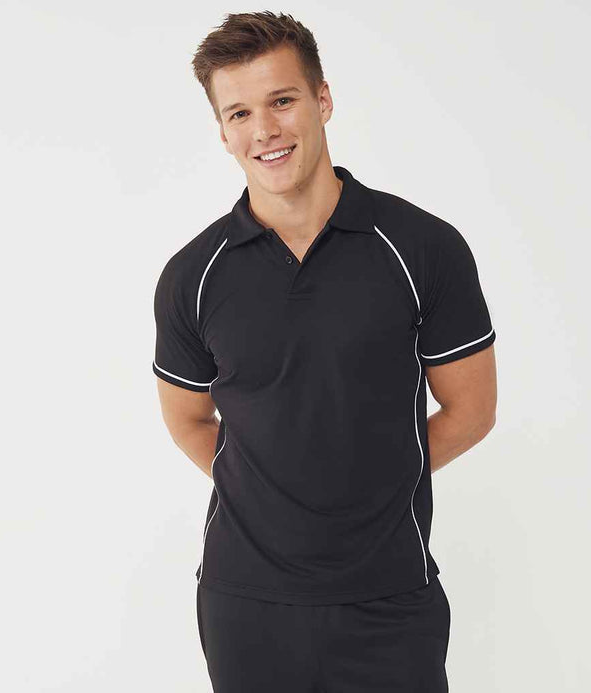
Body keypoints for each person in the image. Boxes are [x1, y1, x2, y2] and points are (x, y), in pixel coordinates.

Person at [152, 10, 497, 693]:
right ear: (223, 131)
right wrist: (275, 486)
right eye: (240, 113)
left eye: (281, 101)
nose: (264, 130)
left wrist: (367, 483)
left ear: (323, 99)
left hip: (390, 597)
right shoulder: (193, 276)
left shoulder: (423, 247)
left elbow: (472, 409)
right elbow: (188, 419)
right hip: (245, 603)